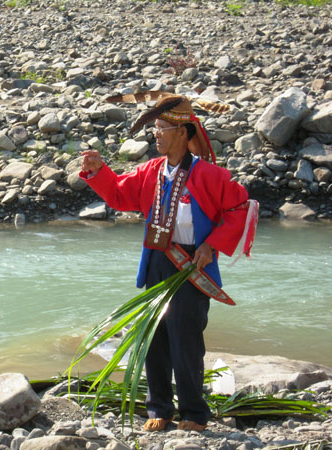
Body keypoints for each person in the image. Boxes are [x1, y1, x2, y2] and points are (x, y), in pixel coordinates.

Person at [79, 94, 255, 432]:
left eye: (161, 128)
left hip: (191, 264)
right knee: (154, 338)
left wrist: (212, 245)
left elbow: (242, 208)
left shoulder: (210, 175)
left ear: (181, 132)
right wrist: (98, 171)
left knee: (186, 338)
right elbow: (118, 193)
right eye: (154, 129)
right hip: (158, 263)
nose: (155, 135)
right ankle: (159, 409)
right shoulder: (150, 172)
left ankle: (193, 414)